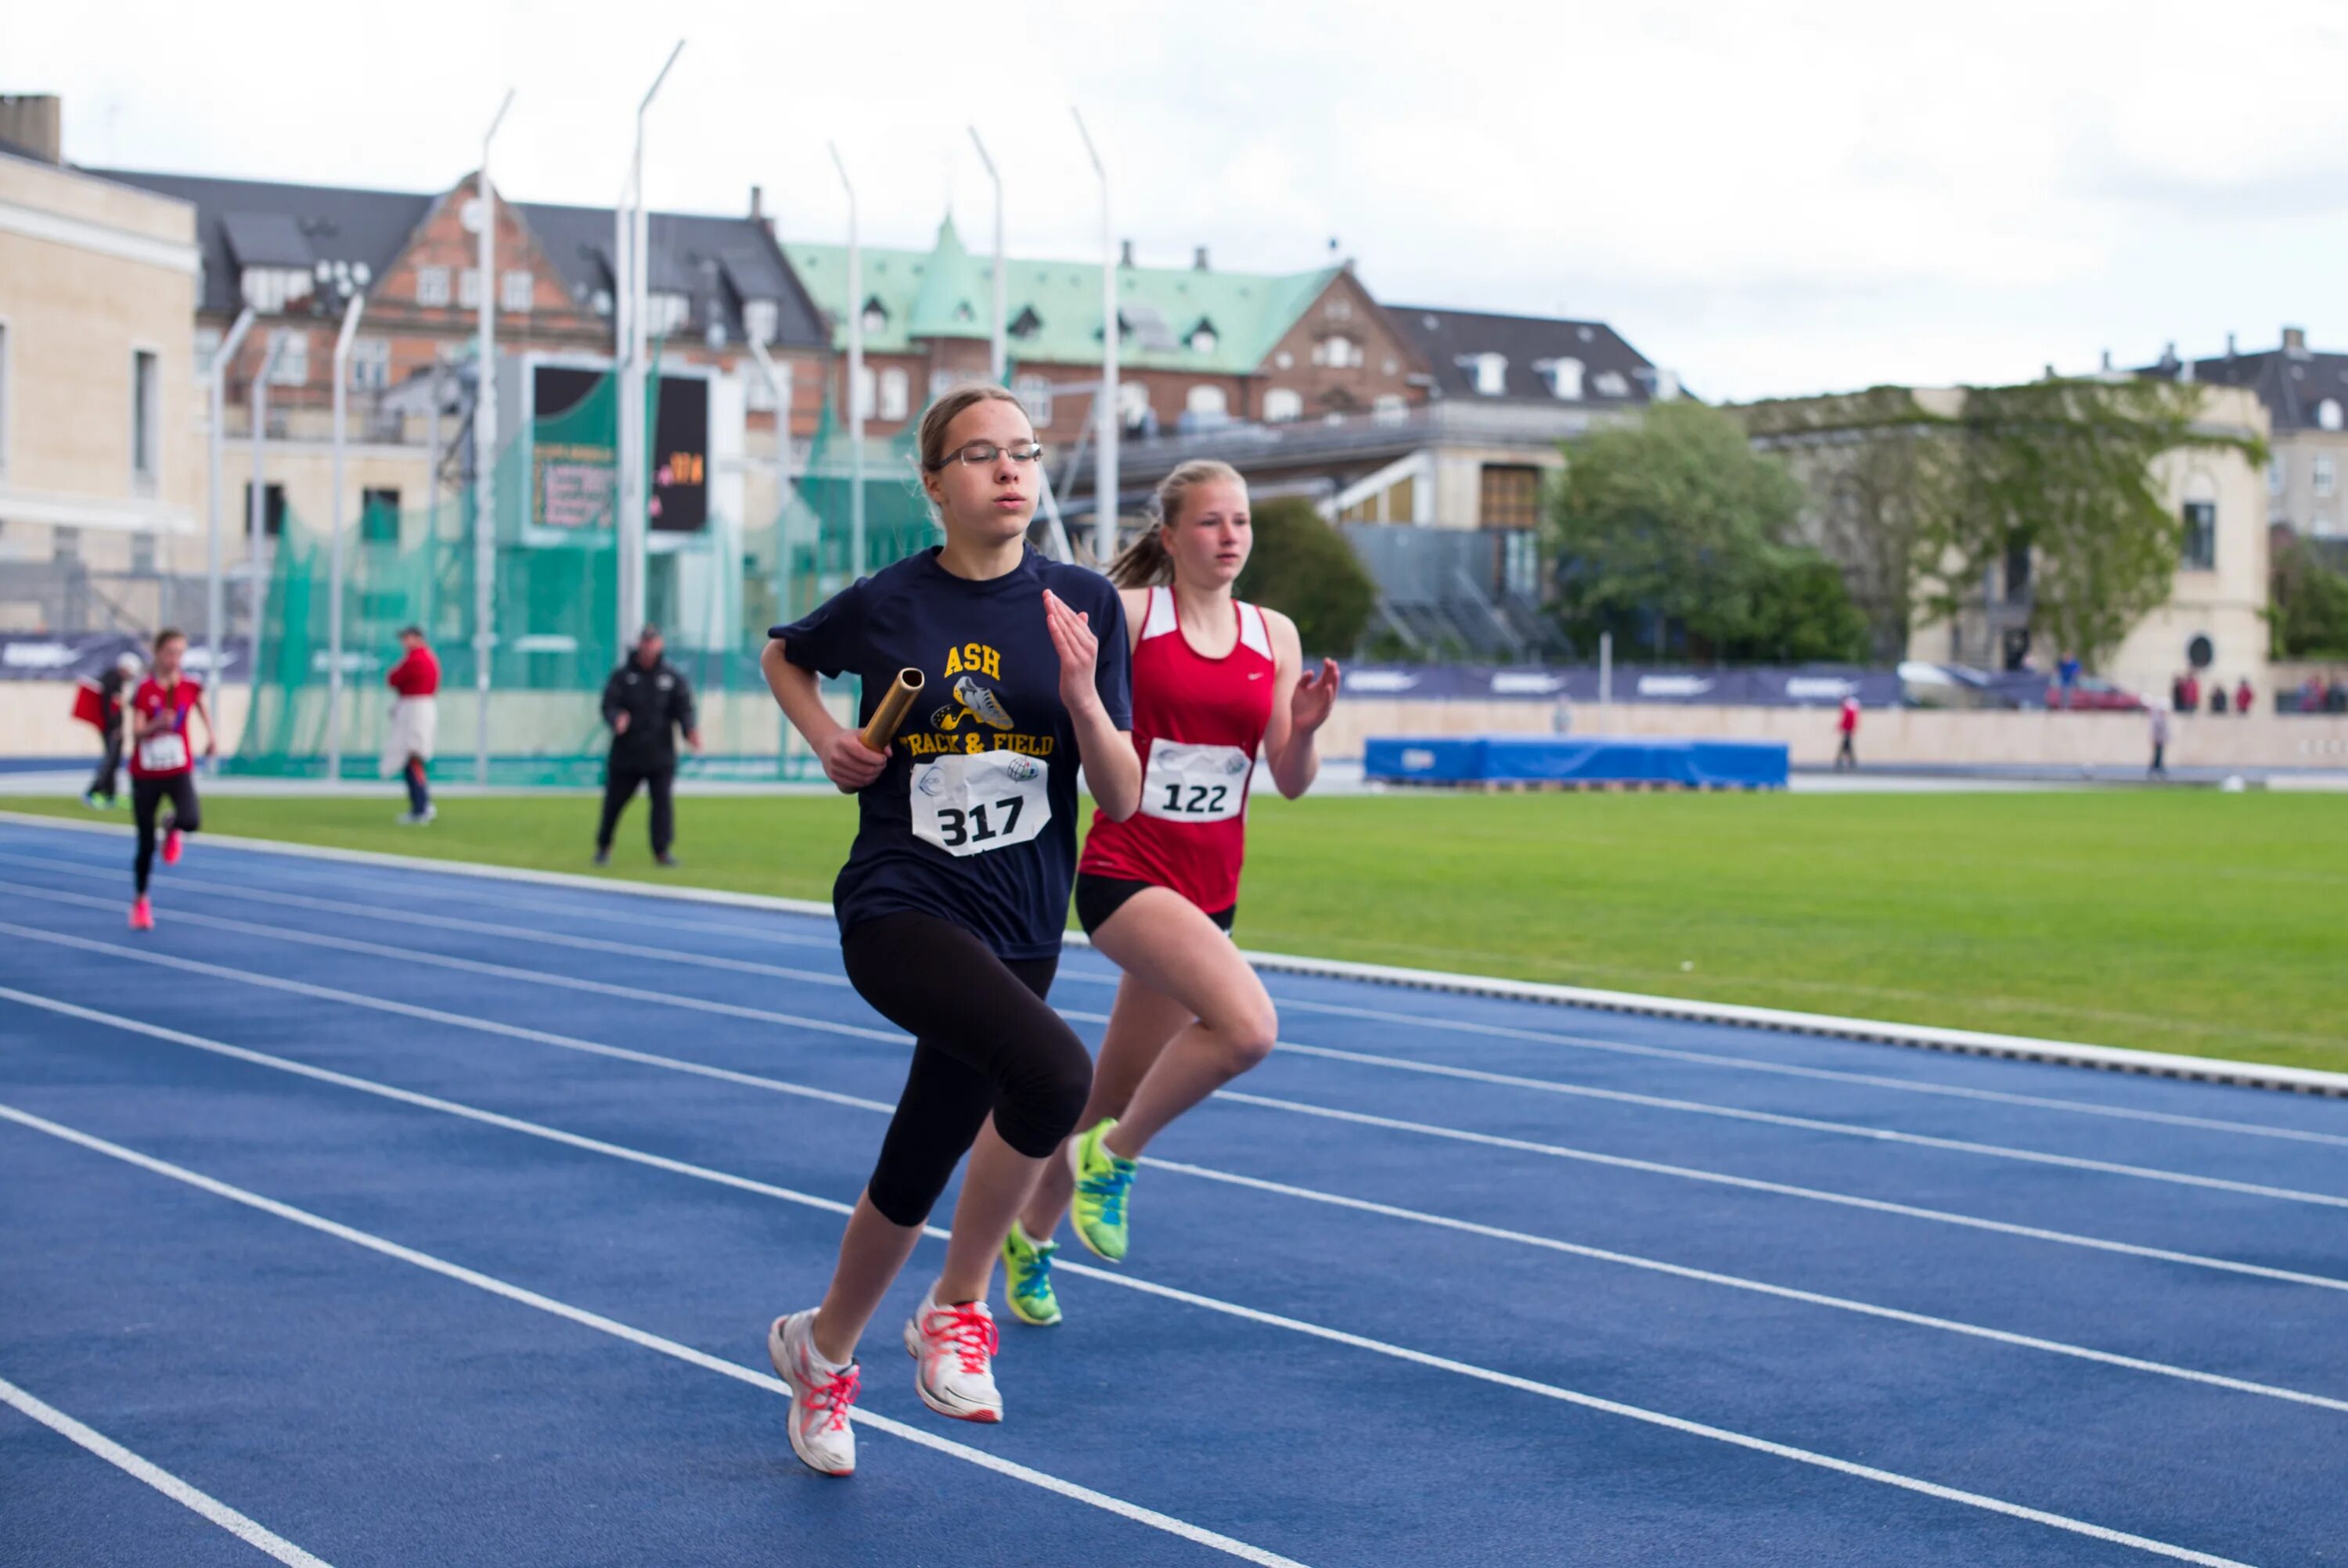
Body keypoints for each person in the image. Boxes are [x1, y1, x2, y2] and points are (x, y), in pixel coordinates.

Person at [756, 383, 1140, 1478]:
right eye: (980, 455)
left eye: (1023, 452)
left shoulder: (1083, 605)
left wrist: (1081, 695)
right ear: (934, 483)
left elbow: (1119, 794)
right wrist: (828, 737)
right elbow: (787, 652)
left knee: (920, 1154)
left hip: (1021, 922)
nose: (1010, 471)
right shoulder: (890, 603)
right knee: (1057, 1077)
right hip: (899, 905)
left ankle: (821, 1352)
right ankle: (954, 1311)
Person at [1000, 459, 1338, 1329]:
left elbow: (1291, 780)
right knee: (1247, 1028)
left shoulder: (1275, 636)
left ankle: (1030, 1236)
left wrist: (1303, 731)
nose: (1231, 538)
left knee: (1112, 1086)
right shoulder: (1134, 616)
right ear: (1170, 537)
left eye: (1243, 523)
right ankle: (1115, 1162)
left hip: (1210, 890)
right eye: (1211, 523)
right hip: (1126, 872)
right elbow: (1066, 696)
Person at [125, 628, 216, 930]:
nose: (175, 658)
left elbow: (202, 708)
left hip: (178, 768)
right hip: (146, 773)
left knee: (190, 820)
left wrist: (212, 737)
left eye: (180, 653)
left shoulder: (190, 686)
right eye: (170, 652)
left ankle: (171, 824)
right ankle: (140, 900)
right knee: (146, 845)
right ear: (158, 653)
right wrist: (154, 725)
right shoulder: (145, 689)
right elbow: (136, 732)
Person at [594, 624, 701, 867]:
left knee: (662, 805)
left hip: (660, 755)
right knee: (614, 804)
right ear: (639, 645)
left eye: (653, 643)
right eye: (645, 643)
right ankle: (604, 846)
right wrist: (616, 718)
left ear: (660, 645)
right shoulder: (623, 676)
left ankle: (662, 851)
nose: (649, 648)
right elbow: (608, 704)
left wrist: (689, 730)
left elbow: (683, 708)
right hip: (626, 755)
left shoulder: (671, 677)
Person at [383, 625, 440, 824]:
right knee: (410, 758)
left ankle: (421, 806)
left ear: (417, 638)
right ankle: (420, 805)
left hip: (417, 710)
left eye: (408, 638)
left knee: (414, 756)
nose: (404, 642)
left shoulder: (418, 658)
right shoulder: (418, 657)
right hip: (412, 707)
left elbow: (394, 678)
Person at [81, 650, 142, 808]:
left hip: (115, 728)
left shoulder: (117, 681)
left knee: (114, 762)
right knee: (109, 762)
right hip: (111, 729)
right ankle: (93, 792)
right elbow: (108, 707)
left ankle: (110, 794)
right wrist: (114, 727)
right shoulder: (112, 680)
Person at [1834, 694, 1860, 771]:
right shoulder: (1849, 710)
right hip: (1848, 731)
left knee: (1846, 747)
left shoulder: (1848, 711)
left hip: (1848, 731)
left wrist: (1843, 728)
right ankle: (1848, 763)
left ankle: (1842, 763)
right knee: (1847, 747)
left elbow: (1847, 721)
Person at [2148, 704, 2170, 779]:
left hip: (2161, 740)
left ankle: (2158, 768)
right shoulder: (2158, 719)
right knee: (2158, 755)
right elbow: (2156, 731)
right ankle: (2155, 768)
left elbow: (2165, 731)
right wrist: (2155, 739)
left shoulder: (2162, 719)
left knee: (2159, 755)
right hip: (2158, 740)